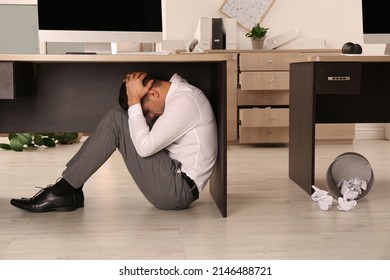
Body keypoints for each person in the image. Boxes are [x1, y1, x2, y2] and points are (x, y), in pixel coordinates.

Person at [10, 72, 218, 212]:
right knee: (121, 115)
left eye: (147, 110)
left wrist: (134, 101)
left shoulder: (185, 101)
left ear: (153, 92)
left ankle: (63, 191)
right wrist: (135, 102)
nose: (151, 116)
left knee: (118, 118)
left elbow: (145, 148)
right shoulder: (179, 94)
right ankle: (67, 190)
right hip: (173, 177)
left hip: (177, 190)